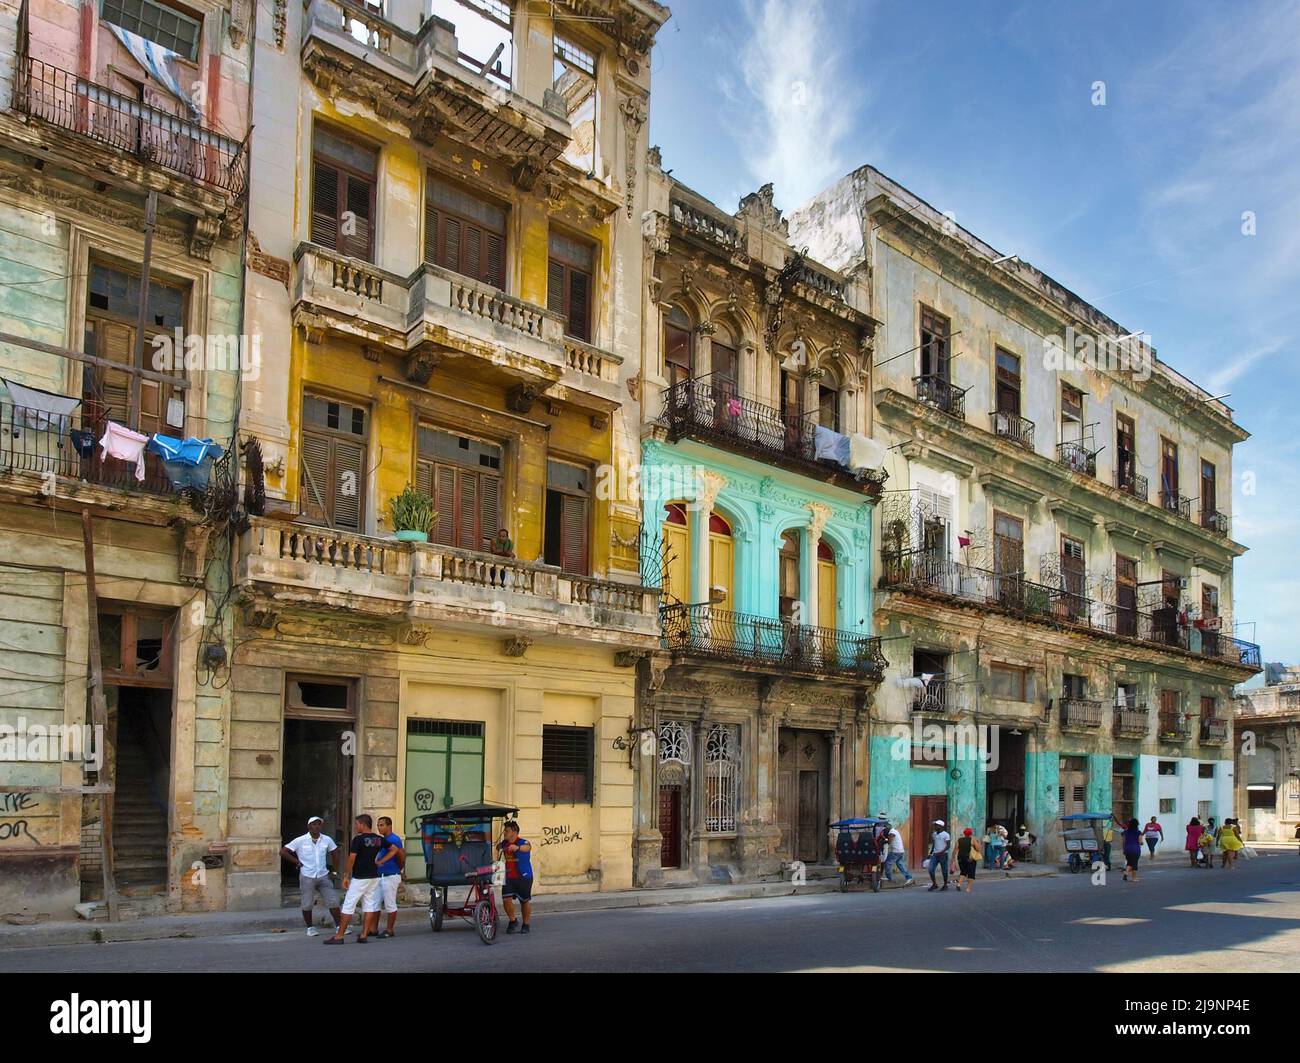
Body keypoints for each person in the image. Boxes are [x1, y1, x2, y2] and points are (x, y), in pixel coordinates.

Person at [324, 814, 385, 944]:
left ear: (363, 824)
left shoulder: (358, 840)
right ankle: (364, 935)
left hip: (360, 877)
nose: (356, 827)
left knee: (348, 906)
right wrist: (381, 860)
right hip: (373, 876)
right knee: (369, 905)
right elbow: (394, 849)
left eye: (357, 824)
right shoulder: (378, 839)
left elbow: (352, 858)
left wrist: (346, 876)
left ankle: (339, 936)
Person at [281, 816, 342, 937]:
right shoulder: (300, 840)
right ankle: (310, 927)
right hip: (307, 875)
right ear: (309, 826)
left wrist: (334, 871)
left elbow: (335, 853)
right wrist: (297, 862)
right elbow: (283, 851)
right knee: (307, 902)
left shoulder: (326, 840)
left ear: (321, 826)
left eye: (319, 824)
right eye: (314, 824)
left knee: (333, 900)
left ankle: (339, 926)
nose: (316, 826)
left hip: (323, 875)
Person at [498, 819, 534, 934]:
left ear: (514, 832)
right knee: (506, 900)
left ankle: (526, 924)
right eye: (504, 831)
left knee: (524, 901)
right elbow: (498, 847)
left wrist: (517, 848)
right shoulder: (505, 843)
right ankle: (513, 920)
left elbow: (527, 848)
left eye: (507, 831)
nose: (504, 833)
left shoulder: (523, 842)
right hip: (509, 876)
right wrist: (499, 846)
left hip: (523, 876)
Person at [374, 815, 405, 939]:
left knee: (390, 903)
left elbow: (401, 856)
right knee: (374, 903)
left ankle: (389, 929)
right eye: (378, 825)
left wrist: (400, 869)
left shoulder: (394, 839)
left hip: (390, 875)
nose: (379, 828)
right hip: (380, 875)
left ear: (389, 826)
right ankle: (373, 929)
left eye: (381, 825)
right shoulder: (384, 839)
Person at [880, 819, 914, 885]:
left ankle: (890, 878)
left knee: (887, 863)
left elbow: (889, 841)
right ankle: (909, 877)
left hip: (895, 851)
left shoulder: (892, 832)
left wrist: (884, 840)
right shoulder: (895, 831)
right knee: (900, 865)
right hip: (900, 851)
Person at [1115, 814, 1143, 882]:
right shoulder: (1138, 832)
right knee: (1134, 864)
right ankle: (1134, 878)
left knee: (1130, 863)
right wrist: (1142, 843)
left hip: (1127, 849)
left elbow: (1124, 842)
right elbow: (1140, 842)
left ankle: (1126, 874)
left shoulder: (1126, 832)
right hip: (1135, 849)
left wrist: (1124, 850)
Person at [927, 819, 951, 892]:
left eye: (936, 825)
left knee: (944, 870)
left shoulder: (946, 834)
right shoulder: (934, 834)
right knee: (930, 869)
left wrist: (941, 852)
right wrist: (930, 853)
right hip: (935, 854)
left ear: (940, 826)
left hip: (943, 854)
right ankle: (934, 884)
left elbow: (948, 845)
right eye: (935, 825)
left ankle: (945, 885)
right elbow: (934, 844)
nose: (935, 826)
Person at [954, 828, 981, 893]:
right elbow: (978, 849)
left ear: (964, 833)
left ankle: (959, 884)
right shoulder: (973, 840)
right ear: (971, 833)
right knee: (971, 873)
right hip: (970, 858)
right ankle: (968, 888)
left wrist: (952, 859)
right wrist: (978, 842)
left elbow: (955, 850)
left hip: (960, 858)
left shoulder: (959, 840)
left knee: (963, 872)